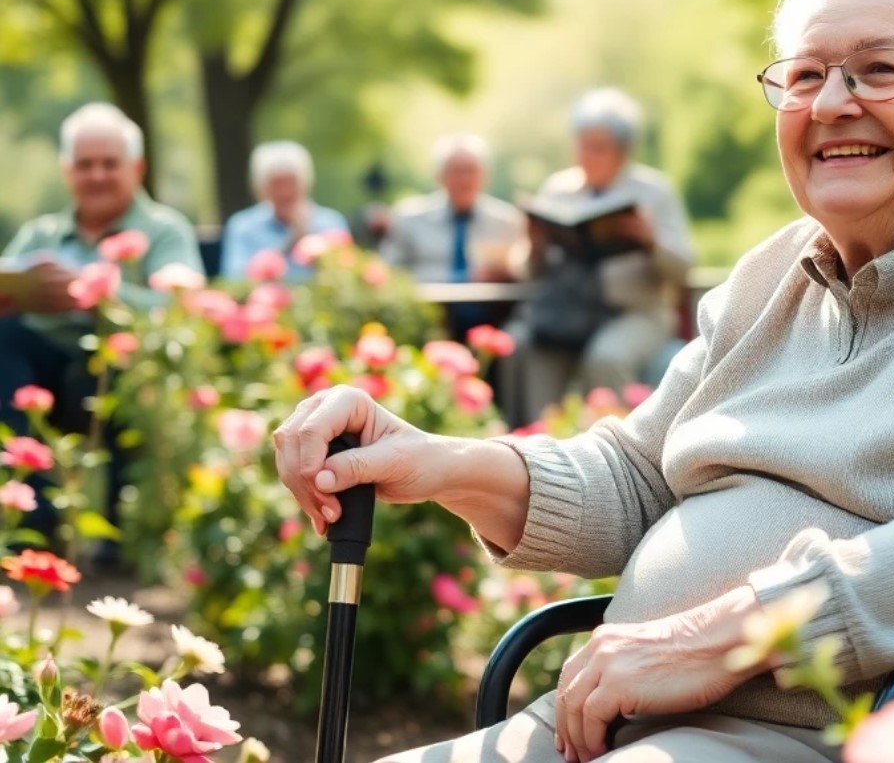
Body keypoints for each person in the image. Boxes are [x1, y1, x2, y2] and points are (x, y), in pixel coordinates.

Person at [275, 0, 894, 763]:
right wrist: (439, 463)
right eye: (805, 75)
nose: (829, 104)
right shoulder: (773, 272)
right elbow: (639, 476)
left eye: (879, 70)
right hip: (625, 717)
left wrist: (729, 634)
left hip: (834, 737)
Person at [0, 102, 203, 539]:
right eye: (84, 165)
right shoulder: (40, 234)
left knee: (126, 362)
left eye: (109, 164)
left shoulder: (165, 230)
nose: (96, 175)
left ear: (137, 168)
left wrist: (97, 296)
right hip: (42, 373)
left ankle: (122, 533)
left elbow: (181, 308)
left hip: (123, 373)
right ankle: (32, 520)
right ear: (66, 171)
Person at [500, 88, 694, 427]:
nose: (587, 155)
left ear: (623, 150)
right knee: (531, 348)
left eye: (598, 147)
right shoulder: (558, 189)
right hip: (567, 311)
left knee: (607, 357)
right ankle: (537, 442)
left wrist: (650, 241)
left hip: (635, 313)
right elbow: (525, 269)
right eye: (582, 144)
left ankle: (618, 448)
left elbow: (683, 267)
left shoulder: (655, 191)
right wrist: (535, 245)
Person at [380, 134, 526, 284]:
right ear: (439, 176)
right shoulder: (409, 218)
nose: (464, 179)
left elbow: (526, 274)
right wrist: (461, 278)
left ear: (485, 175)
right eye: (455, 171)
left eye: (470, 170)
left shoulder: (509, 222)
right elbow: (390, 273)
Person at [218, 141, 350, 280]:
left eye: (291, 182)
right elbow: (235, 279)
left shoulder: (330, 223)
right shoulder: (243, 226)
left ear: (305, 184)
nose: (285, 192)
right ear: (261, 189)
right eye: (276, 184)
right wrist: (290, 243)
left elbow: (347, 276)